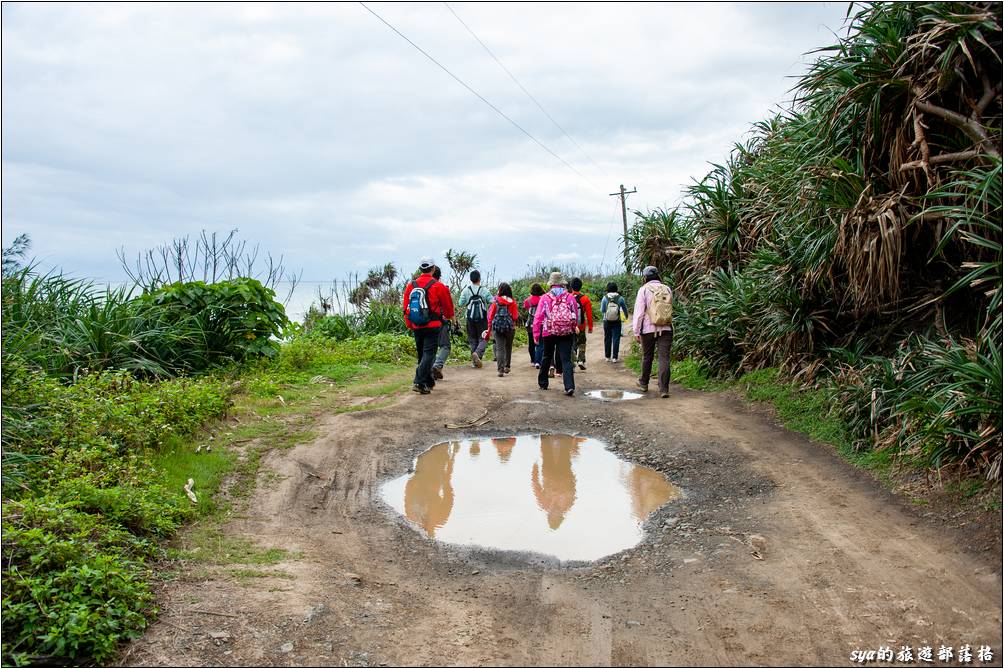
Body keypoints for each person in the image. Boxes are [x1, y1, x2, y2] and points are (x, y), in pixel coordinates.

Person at [403, 257, 454, 394]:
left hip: (416, 325)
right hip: (433, 325)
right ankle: (418, 381)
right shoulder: (439, 286)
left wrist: (409, 323)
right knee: (429, 354)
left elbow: (405, 308)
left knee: (422, 355)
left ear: (420, 269)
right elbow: (448, 308)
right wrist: (448, 317)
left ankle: (427, 383)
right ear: (433, 268)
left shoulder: (411, 285)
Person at [533, 272, 579, 396]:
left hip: (549, 331)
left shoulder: (545, 297)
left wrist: (536, 334)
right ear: (562, 284)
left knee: (547, 356)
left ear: (551, 284)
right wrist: (574, 327)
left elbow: (538, 317)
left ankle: (543, 383)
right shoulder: (569, 297)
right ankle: (569, 386)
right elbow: (574, 314)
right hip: (566, 331)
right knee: (566, 359)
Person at [632, 266, 673, 398]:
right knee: (664, 357)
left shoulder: (643, 290)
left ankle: (644, 383)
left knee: (647, 356)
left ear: (645, 277)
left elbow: (639, 313)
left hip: (648, 329)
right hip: (666, 327)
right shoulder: (667, 288)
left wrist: (636, 331)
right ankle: (664, 389)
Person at [485, 282, 519, 377]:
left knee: (500, 348)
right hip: (510, 328)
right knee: (508, 347)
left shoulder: (496, 301)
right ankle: (507, 366)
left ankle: (500, 370)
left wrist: (489, 328)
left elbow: (490, 316)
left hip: (497, 328)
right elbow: (515, 317)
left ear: (499, 290)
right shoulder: (512, 302)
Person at [458, 270, 490, 368]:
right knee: (484, 337)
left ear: (471, 279)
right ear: (479, 278)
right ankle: (478, 353)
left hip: (470, 318)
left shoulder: (466, 290)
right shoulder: (484, 290)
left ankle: (474, 361)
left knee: (472, 339)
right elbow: (492, 301)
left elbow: (460, 303)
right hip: (482, 318)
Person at [431, 266, 457, 380]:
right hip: (440, 321)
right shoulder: (441, 287)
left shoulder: (424, 288)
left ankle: (431, 369)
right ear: (439, 276)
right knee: (445, 346)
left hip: (424, 322)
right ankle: (437, 366)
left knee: (430, 347)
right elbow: (449, 308)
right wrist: (454, 322)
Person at [600, 281, 629, 362]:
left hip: (606, 320)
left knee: (607, 338)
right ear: (616, 289)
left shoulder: (605, 298)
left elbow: (602, 310)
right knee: (616, 338)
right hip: (617, 320)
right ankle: (615, 357)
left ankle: (607, 356)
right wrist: (626, 316)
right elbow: (625, 309)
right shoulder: (620, 298)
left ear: (608, 289)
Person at [568, 277, 593, 370]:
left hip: (570, 325)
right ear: (581, 287)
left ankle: (572, 364)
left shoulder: (568, 297)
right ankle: (581, 360)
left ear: (571, 286)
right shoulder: (585, 299)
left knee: (572, 344)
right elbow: (589, 314)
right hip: (581, 325)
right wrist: (590, 327)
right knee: (582, 343)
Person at [522, 283, 545, 367]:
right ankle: (539, 360)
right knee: (540, 343)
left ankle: (533, 360)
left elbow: (525, 311)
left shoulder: (527, 301)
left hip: (530, 324)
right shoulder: (543, 299)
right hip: (540, 323)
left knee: (531, 343)